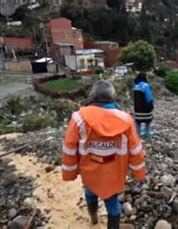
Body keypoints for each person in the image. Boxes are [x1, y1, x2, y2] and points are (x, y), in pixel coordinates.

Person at [61, 80, 146, 228]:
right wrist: (138, 173)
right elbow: (135, 149)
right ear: (112, 96)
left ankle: (93, 217)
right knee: (113, 204)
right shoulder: (126, 119)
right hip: (114, 173)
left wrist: (69, 173)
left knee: (90, 192)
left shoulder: (78, 118)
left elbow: (69, 148)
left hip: (90, 172)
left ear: (92, 96)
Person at [133, 72, 154, 138]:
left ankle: (137, 134)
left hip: (137, 109)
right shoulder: (145, 85)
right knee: (147, 122)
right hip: (145, 109)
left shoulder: (135, 86)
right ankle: (147, 134)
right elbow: (149, 98)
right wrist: (151, 105)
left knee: (138, 122)